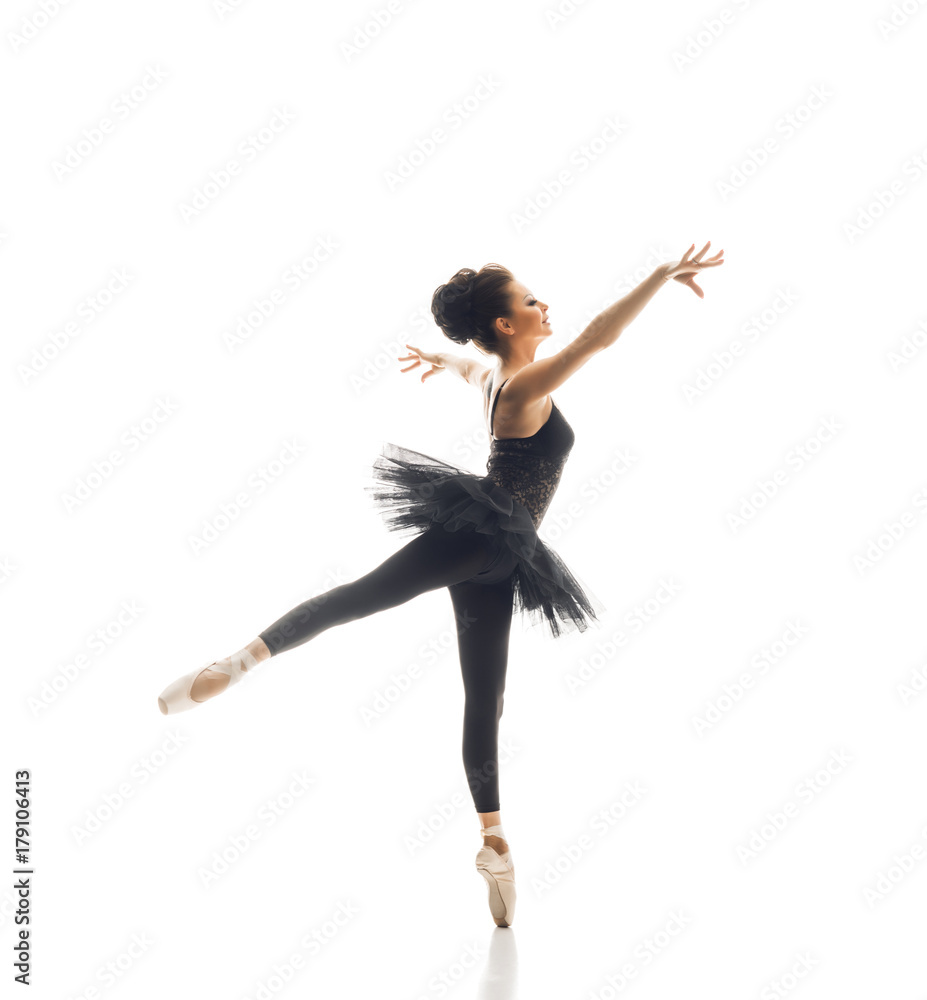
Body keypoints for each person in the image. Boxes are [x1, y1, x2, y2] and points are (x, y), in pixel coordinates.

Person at [156, 241, 724, 926]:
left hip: (505, 554)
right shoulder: (518, 387)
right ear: (509, 325)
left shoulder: (494, 377)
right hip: (480, 537)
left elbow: (468, 366)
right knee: (361, 597)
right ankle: (236, 663)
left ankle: (494, 844)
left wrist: (439, 358)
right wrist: (658, 276)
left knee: (485, 695)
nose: (543, 304)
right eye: (529, 299)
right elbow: (595, 343)